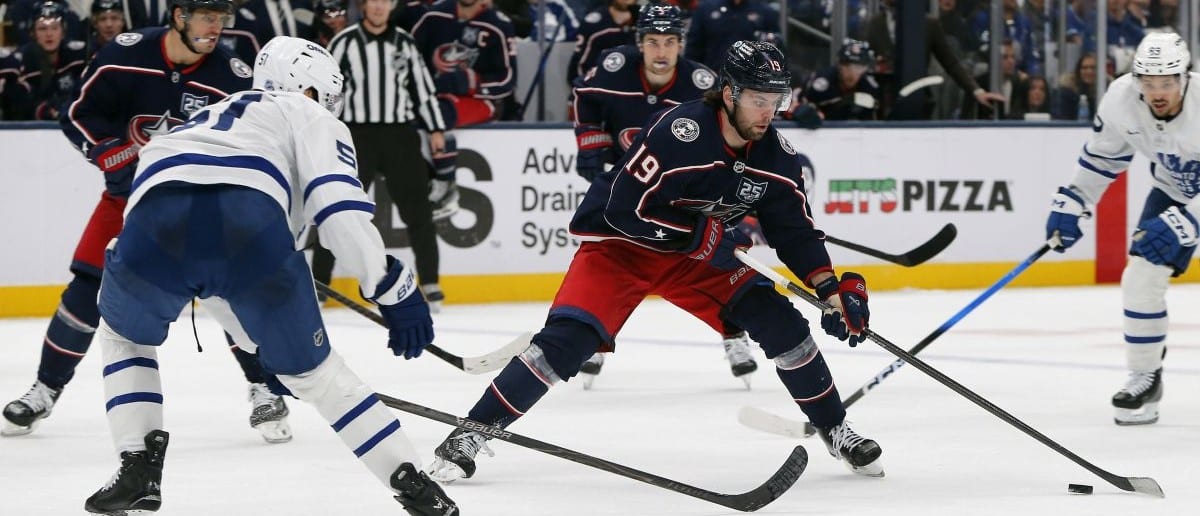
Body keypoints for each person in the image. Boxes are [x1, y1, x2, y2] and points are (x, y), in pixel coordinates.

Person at [426, 40, 884, 484]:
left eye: (777, 100)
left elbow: (795, 232)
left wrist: (830, 290)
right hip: (621, 247)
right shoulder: (679, 132)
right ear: (729, 94)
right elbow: (623, 209)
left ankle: (835, 430)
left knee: (784, 327)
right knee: (565, 343)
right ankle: (469, 434)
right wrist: (695, 235)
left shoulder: (777, 157)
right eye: (758, 100)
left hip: (694, 256)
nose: (769, 112)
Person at [81, 36, 458, 516]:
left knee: (124, 337)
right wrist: (389, 286)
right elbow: (339, 209)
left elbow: (193, 261)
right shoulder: (309, 115)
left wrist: (259, 351)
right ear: (310, 88)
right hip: (249, 225)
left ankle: (136, 465)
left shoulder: (200, 120)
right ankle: (416, 488)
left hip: (154, 222)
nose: (330, 106)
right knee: (320, 376)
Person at [1, 0, 293, 442]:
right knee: (85, 289)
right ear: (179, 16)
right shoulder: (126, 53)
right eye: (206, 16)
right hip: (130, 202)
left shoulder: (233, 75)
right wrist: (107, 152)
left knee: (234, 295)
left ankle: (264, 388)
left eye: (221, 17)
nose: (216, 27)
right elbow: (78, 114)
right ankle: (45, 389)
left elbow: (254, 143)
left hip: (202, 206)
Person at [570, 2, 756, 389]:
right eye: (652, 42)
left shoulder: (704, 85)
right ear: (639, 42)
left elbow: (733, 134)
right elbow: (584, 96)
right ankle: (593, 343)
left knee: (713, 268)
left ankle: (734, 335)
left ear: (680, 44)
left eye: (669, 42)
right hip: (627, 197)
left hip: (683, 198)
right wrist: (591, 142)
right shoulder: (613, 68)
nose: (661, 52)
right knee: (609, 269)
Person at [1044, 32, 1197, 426]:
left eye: (1166, 82)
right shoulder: (1121, 100)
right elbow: (1102, 159)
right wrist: (1075, 200)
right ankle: (1145, 377)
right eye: (1148, 82)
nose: (1157, 92)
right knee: (1141, 276)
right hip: (1174, 190)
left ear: (1184, 77)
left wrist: (1190, 220)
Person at [324, 0, 448, 311]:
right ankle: (320, 283)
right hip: (356, 136)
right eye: (373, 0)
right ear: (364, 5)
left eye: (385, 0)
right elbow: (328, 90)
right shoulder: (344, 42)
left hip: (399, 136)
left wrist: (435, 129)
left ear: (392, 6)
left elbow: (422, 89)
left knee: (419, 211)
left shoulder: (405, 43)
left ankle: (430, 283)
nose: (379, 6)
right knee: (335, 208)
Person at [411, 0, 516, 220]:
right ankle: (429, 180)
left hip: (481, 101)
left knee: (439, 114)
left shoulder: (498, 25)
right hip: (432, 97)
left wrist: (472, 82)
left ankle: (447, 189)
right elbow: (409, 54)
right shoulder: (433, 17)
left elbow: (507, 80)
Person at [14, 1, 87, 120]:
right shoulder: (21, 61)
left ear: (63, 31)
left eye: (54, 28)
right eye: (42, 28)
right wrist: (44, 111)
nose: (49, 34)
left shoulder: (78, 57)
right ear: (33, 33)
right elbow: (19, 105)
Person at [797, 38, 882, 121]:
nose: (851, 73)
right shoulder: (821, 83)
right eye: (847, 66)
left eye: (859, 67)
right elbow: (796, 107)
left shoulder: (870, 87)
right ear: (839, 65)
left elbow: (874, 123)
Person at [566, 0, 636, 86]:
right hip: (598, 89)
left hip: (634, 90)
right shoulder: (595, 24)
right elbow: (578, 68)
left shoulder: (644, 22)